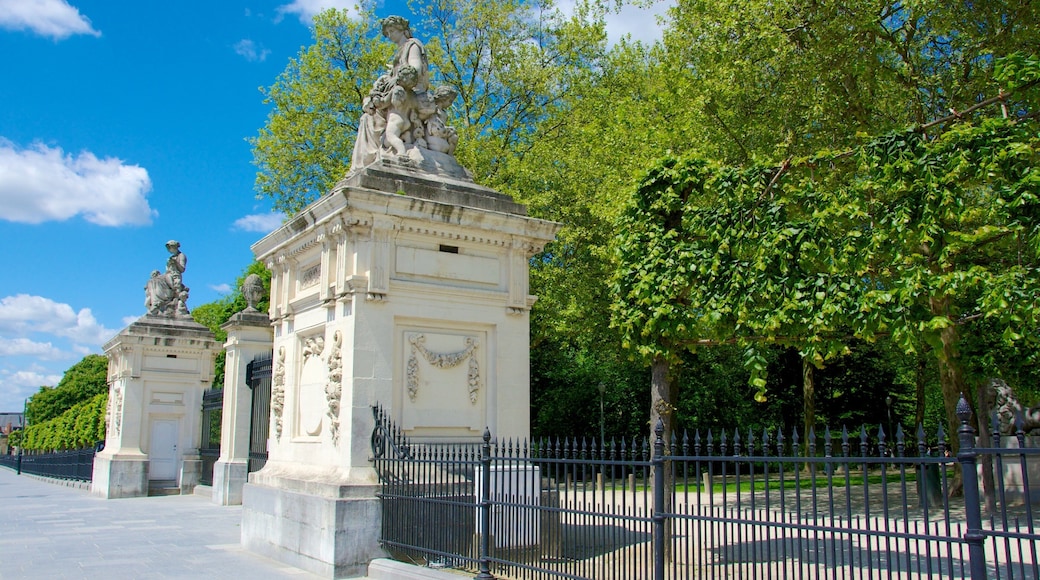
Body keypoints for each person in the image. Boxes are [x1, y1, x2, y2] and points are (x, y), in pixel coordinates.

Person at [382, 16, 428, 94]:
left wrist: (398, 77)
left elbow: (416, 68)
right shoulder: (400, 51)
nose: (389, 35)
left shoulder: (412, 44)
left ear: (402, 30)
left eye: (392, 31)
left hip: (413, 92)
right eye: (387, 33)